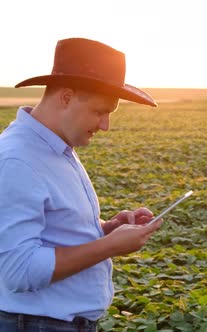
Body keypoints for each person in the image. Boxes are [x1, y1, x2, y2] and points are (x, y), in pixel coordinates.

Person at [0, 38, 163, 332]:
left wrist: (105, 228)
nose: (105, 126)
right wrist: (108, 246)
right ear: (66, 97)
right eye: (100, 111)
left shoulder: (56, 147)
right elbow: (20, 270)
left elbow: (53, 230)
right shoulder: (18, 159)